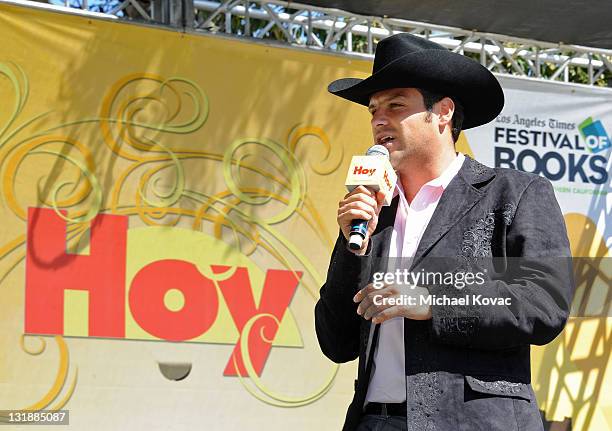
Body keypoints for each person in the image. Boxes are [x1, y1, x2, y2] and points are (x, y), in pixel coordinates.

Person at [314, 33, 574, 431]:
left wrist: (433, 300)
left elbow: (543, 304)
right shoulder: (374, 208)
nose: (379, 120)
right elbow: (336, 343)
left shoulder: (513, 193)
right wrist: (351, 247)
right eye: (373, 111)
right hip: (374, 422)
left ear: (443, 113)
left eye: (396, 106)